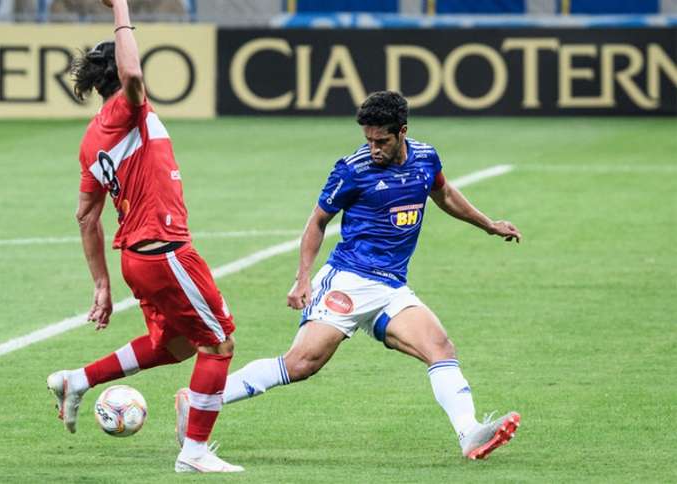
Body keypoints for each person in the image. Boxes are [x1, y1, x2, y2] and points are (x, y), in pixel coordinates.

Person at [175, 91, 522, 460]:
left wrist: (488, 225)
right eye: (368, 139)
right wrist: (303, 278)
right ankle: (199, 400)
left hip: (391, 287)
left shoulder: (425, 158)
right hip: (347, 281)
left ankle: (469, 434)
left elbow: (445, 194)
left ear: (402, 132)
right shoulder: (352, 169)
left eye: (382, 141)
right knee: (301, 364)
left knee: (440, 347)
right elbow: (317, 221)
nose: (373, 148)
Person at [45, 0, 242, 473]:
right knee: (219, 343)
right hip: (165, 249)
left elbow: (85, 217)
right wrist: (121, 9)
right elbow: (133, 77)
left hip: (138, 257)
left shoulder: (93, 136)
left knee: (172, 346)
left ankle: (76, 380)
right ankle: (194, 452)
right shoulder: (124, 109)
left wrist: (102, 284)